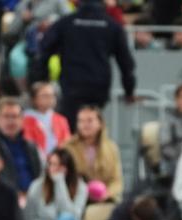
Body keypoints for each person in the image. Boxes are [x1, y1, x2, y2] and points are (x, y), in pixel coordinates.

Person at [33, 0, 136, 128]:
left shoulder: (65, 23)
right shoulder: (112, 26)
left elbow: (43, 51)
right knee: (93, 127)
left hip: (71, 86)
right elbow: (126, 63)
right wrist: (129, 91)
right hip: (99, 87)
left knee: (70, 129)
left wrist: (40, 80)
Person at [0, 97, 42, 196]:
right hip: (1, 198)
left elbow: (39, 175)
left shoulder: (31, 146)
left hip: (32, 198)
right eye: (6, 116)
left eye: (15, 116)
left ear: (21, 120)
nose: (11, 121)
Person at [60, 105, 122, 202]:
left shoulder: (111, 148)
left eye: (90, 121)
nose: (85, 125)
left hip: (105, 199)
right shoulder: (67, 148)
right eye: (81, 121)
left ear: (100, 124)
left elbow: (117, 181)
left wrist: (107, 194)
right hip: (74, 199)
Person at [22, 81, 70, 159]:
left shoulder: (61, 119)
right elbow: (28, 143)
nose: (50, 99)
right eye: (45, 96)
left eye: (52, 95)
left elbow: (67, 142)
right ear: (34, 99)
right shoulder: (26, 119)